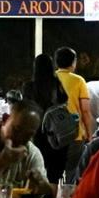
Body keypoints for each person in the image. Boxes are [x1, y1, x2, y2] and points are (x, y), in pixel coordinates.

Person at [21, 53, 69, 185]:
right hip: (55, 128)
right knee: (55, 168)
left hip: (36, 128)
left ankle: (38, 189)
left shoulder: (28, 86)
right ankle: (52, 191)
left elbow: (26, 105)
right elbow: (65, 100)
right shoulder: (56, 83)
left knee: (38, 162)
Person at [54, 47, 94, 183]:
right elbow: (85, 110)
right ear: (73, 62)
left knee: (53, 171)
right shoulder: (78, 81)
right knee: (72, 171)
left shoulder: (51, 79)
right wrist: (89, 133)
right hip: (75, 133)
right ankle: (69, 193)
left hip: (53, 134)